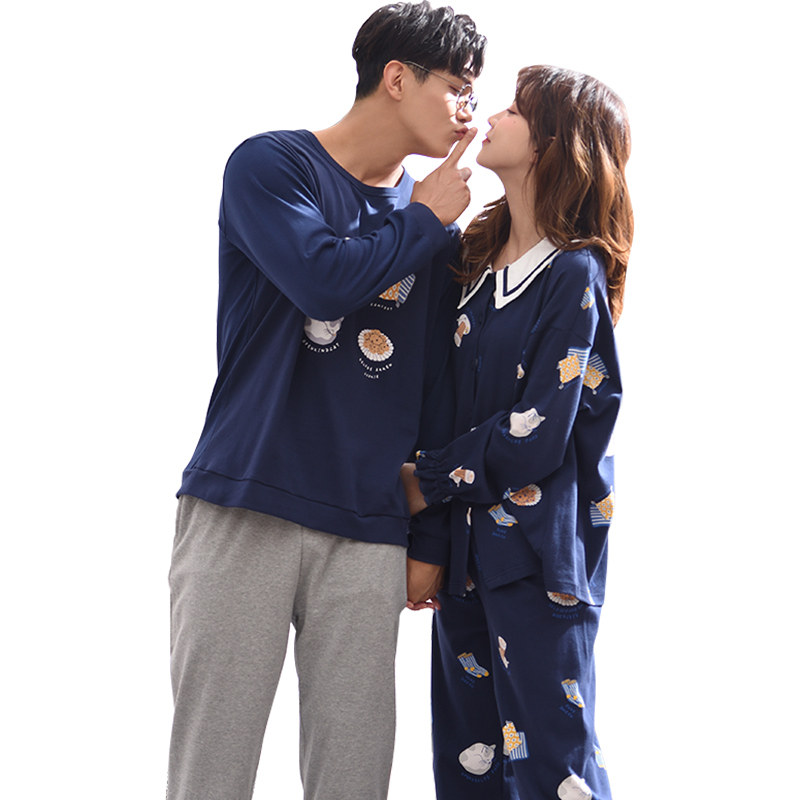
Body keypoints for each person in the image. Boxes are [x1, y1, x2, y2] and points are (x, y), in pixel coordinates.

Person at [167, 4, 486, 799]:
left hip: (368, 528)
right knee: (212, 772)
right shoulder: (271, 166)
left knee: (354, 778)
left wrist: (429, 539)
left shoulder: (436, 234)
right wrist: (423, 217)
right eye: (458, 87)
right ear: (397, 77)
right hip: (245, 505)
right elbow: (320, 280)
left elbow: (437, 394)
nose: (469, 112)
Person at [403, 65, 634, 799]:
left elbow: (538, 436)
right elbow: (436, 404)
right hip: (467, 568)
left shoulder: (572, 274)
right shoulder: (470, 265)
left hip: (539, 568)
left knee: (556, 776)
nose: (493, 116)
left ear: (551, 143)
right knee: (467, 775)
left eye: (514, 109)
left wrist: (427, 481)